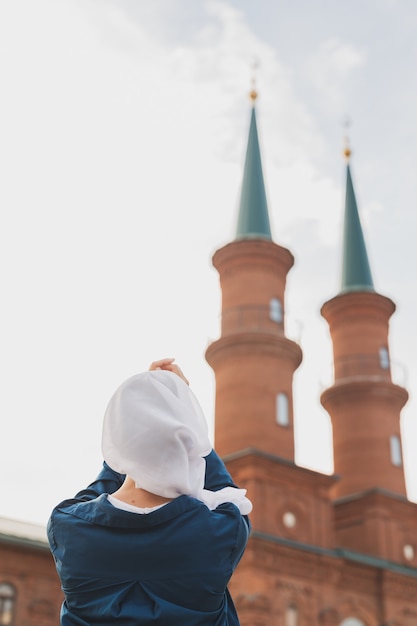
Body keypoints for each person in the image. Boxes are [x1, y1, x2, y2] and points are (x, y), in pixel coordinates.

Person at [47, 358, 252, 625]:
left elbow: (95, 490)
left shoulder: (66, 526)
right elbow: (228, 492)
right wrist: (180, 406)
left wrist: (136, 418)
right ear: (190, 439)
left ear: (116, 438)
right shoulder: (222, 532)